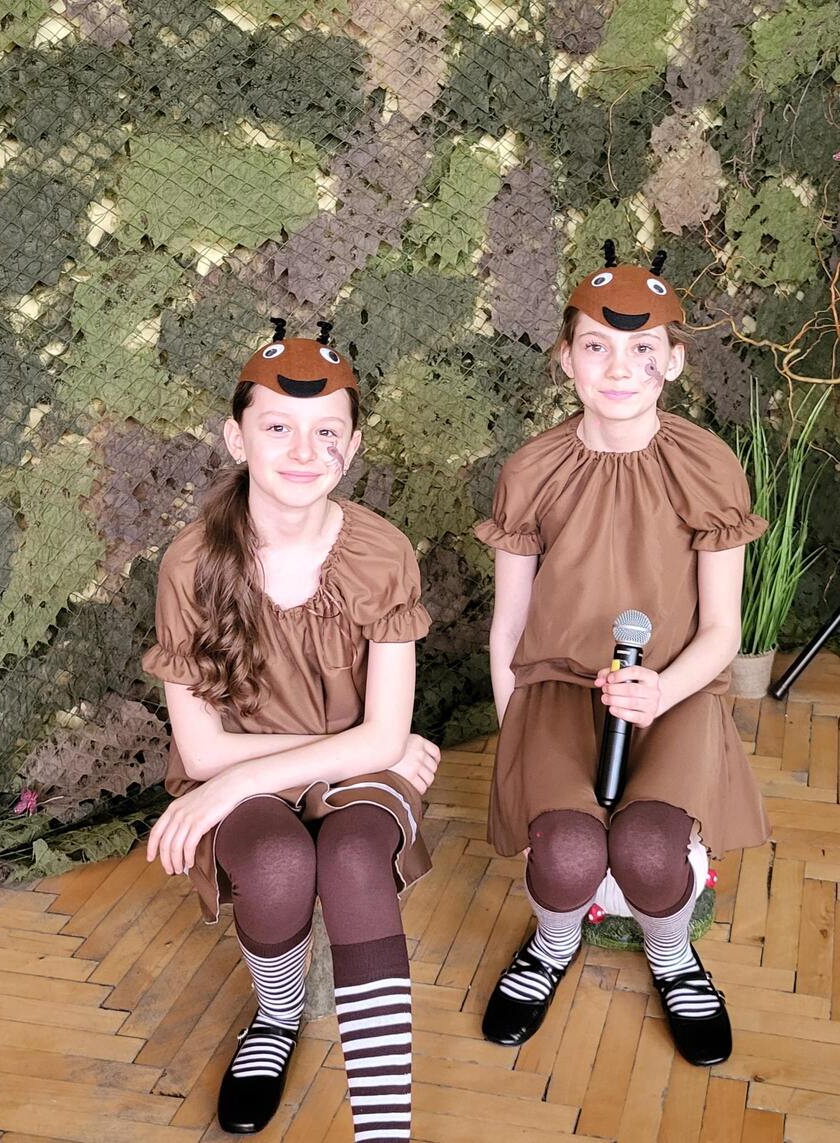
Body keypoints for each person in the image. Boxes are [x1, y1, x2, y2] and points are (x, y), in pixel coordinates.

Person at [474, 245, 770, 1067]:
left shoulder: (706, 466)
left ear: (671, 361)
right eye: (596, 346)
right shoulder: (531, 470)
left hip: (674, 690)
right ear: (566, 358)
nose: (617, 367)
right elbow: (508, 628)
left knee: (646, 848)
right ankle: (551, 942)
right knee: (566, 852)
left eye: (641, 349)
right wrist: (517, 750)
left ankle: (672, 956)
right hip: (555, 689)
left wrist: (661, 691)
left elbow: (722, 629)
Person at [142, 321, 438, 1139]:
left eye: (326, 432)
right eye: (277, 427)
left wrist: (370, 747)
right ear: (236, 437)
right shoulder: (189, 564)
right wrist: (366, 744)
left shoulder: (382, 552)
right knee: (275, 864)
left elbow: (381, 745)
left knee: (350, 857)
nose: (303, 451)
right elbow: (203, 750)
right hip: (259, 769)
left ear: (352, 447)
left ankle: (384, 1130)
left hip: (353, 777)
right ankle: (276, 1015)